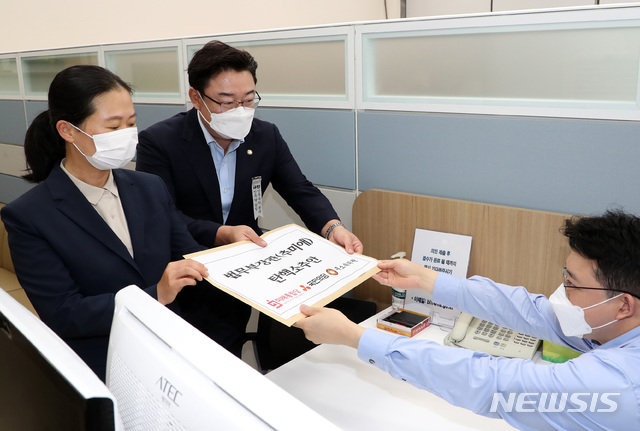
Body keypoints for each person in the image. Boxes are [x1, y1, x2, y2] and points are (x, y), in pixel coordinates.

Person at [294, 210, 640, 430]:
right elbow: (529, 310)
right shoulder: (617, 324)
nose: (560, 293)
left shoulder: (617, 384)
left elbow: (489, 383)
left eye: (572, 284)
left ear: (624, 305)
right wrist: (427, 280)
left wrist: (355, 337)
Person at [0, 65, 241, 380]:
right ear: (68, 130)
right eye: (113, 126)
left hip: (172, 349)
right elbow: (64, 313)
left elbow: (189, 252)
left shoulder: (149, 187)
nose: (127, 135)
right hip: (104, 365)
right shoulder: (30, 215)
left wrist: (244, 263)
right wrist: (155, 294)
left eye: (131, 123)